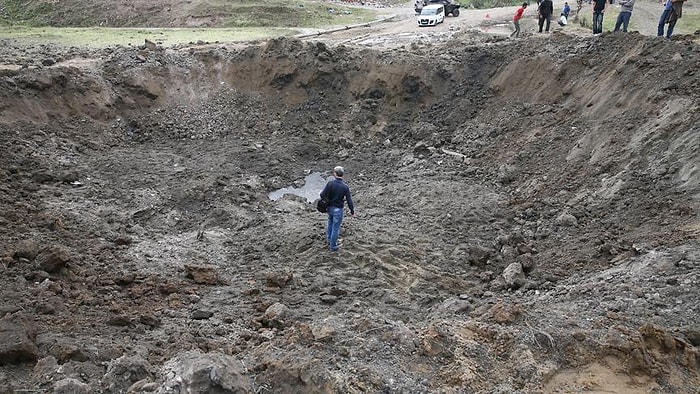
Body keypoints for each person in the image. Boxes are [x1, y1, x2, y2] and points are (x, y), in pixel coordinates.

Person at [319, 166, 354, 252]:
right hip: (338, 209)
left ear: (335, 174)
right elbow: (349, 200)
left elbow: (322, 195)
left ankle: (329, 240)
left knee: (330, 223)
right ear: (342, 174)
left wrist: (327, 201)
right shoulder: (345, 187)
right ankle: (333, 246)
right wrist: (352, 210)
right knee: (336, 228)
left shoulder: (330, 184)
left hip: (330, 208)